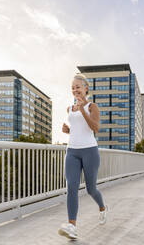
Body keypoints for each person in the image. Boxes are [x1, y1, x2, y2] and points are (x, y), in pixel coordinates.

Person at [58, 73, 107, 240]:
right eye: (73, 88)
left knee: (91, 189)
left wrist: (83, 108)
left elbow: (95, 128)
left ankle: (102, 207)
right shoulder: (69, 109)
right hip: (72, 151)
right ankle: (72, 226)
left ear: (86, 88)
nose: (75, 90)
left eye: (78, 87)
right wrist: (68, 131)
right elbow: (78, 130)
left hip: (90, 151)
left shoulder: (92, 106)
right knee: (71, 186)